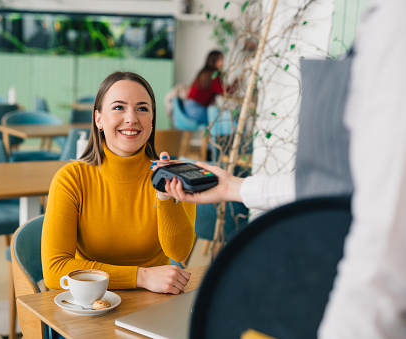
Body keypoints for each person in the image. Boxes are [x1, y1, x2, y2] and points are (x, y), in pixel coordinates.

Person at [166, 1, 406, 337]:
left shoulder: (396, 27)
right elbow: (340, 186)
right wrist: (234, 187)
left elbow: (384, 254)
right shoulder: (384, 18)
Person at [41, 71, 196, 295]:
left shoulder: (175, 176)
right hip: (91, 302)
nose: (131, 118)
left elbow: (179, 253)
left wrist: (166, 196)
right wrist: (140, 276)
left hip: (153, 301)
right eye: (118, 107)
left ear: (152, 121)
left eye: (142, 108)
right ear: (99, 119)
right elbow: (55, 270)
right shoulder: (71, 179)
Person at [184, 50, 228, 125]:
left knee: (218, 117)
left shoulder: (205, 72)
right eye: (220, 59)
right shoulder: (212, 75)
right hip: (195, 109)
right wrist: (236, 82)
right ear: (214, 61)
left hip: (189, 107)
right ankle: (216, 137)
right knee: (218, 119)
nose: (223, 62)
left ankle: (214, 136)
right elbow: (224, 91)